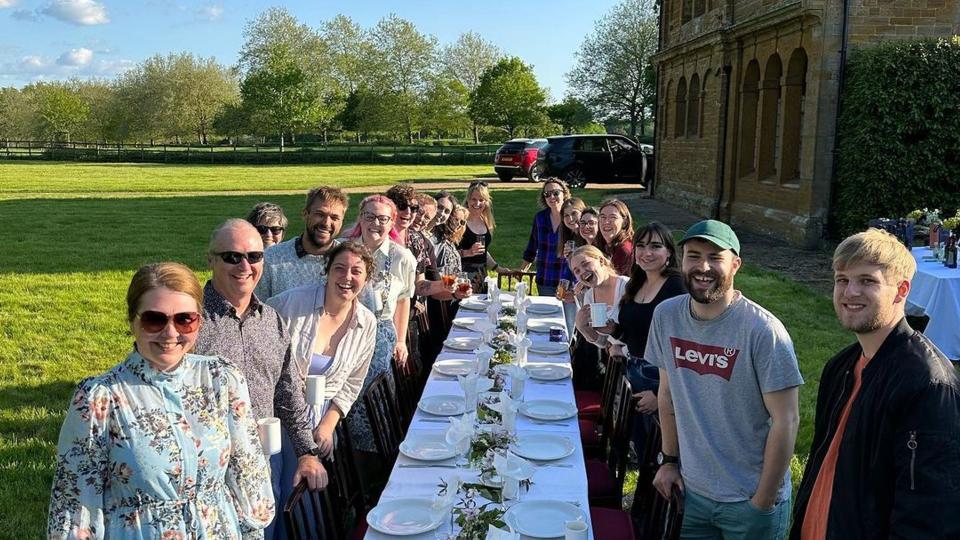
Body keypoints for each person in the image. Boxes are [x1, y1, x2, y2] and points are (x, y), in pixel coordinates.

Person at [48, 262, 274, 539]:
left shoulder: (222, 378)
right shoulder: (99, 398)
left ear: (199, 321)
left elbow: (247, 472)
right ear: (133, 321)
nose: (170, 333)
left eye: (184, 319)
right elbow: (75, 503)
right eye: (154, 319)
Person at [791, 228, 960, 539]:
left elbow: (930, 513)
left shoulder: (928, 383)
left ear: (901, 290)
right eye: (842, 279)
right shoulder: (840, 367)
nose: (850, 291)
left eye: (867, 281)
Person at [648, 220, 803, 538]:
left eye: (715, 257)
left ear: (736, 265)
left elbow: (786, 420)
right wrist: (669, 460)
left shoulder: (763, 331)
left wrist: (762, 500)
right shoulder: (666, 316)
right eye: (693, 256)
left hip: (749, 501)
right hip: (691, 493)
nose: (702, 267)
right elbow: (667, 395)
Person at [193, 219, 326, 540]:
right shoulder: (190, 322)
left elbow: (289, 393)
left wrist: (307, 452)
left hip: (266, 461)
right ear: (211, 260)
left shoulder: (271, 321)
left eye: (254, 256)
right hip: (209, 469)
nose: (245, 265)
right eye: (232, 257)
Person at [606, 222, 686, 516]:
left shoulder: (676, 287)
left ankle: (659, 517)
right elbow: (635, 333)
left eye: (655, 246)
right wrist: (615, 332)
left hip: (659, 378)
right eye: (641, 246)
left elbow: (681, 349)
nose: (646, 252)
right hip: (634, 372)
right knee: (642, 448)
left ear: (669, 252)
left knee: (663, 452)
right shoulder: (635, 283)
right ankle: (643, 507)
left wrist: (658, 393)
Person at [344, 195, 416, 457]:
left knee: (377, 397)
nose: (376, 223)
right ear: (360, 218)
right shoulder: (345, 251)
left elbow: (404, 298)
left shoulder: (402, 258)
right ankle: (347, 456)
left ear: (392, 223)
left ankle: (377, 456)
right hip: (346, 332)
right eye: (370, 216)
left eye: (383, 219)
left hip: (381, 335)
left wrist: (401, 340)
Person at [256, 186, 349, 300]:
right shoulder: (272, 258)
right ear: (305, 214)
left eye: (334, 218)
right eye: (320, 214)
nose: (326, 223)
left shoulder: (350, 262)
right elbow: (257, 310)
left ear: (342, 222)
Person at [568, 246, 627, 390]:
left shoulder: (627, 287)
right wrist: (583, 328)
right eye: (577, 271)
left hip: (635, 367)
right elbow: (603, 342)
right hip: (614, 369)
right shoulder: (590, 296)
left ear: (601, 260)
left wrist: (624, 351)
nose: (582, 272)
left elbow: (645, 333)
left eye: (585, 264)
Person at [517, 179, 572, 297]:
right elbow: (532, 247)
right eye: (547, 194)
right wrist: (522, 270)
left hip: (567, 280)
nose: (552, 197)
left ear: (564, 194)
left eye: (556, 193)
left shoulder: (571, 219)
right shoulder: (540, 218)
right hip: (545, 279)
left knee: (567, 315)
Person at [457, 181, 508, 290]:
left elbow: (483, 251)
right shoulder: (460, 222)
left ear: (486, 202)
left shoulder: (486, 221)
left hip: (481, 275)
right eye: (474, 199)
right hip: (463, 275)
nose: (477, 203)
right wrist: (468, 252)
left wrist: (497, 268)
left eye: (481, 200)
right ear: (468, 200)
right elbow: (449, 253)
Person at [596, 199, 635, 275]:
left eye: (613, 217)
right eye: (603, 217)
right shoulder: (603, 244)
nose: (606, 222)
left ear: (624, 222)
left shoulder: (624, 250)